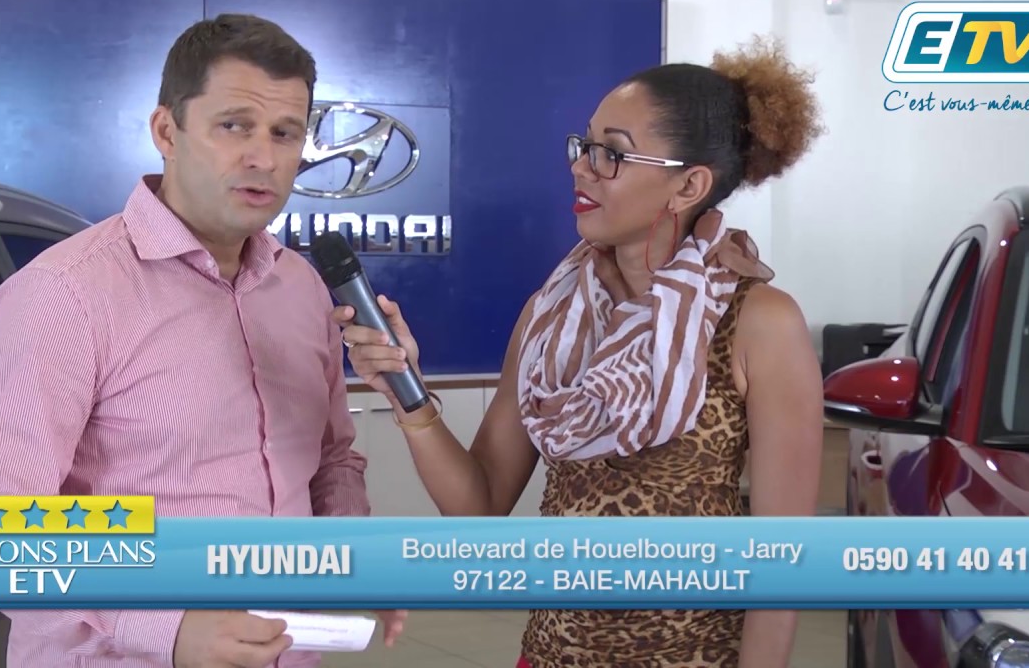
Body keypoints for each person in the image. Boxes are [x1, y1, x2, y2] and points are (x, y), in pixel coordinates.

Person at [334, 35, 825, 668]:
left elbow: (783, 563)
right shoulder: (551, 314)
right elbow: (479, 506)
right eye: (584, 145)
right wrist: (408, 393)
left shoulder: (758, 321)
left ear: (688, 185)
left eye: (611, 154)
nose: (581, 167)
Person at [0, 14, 405, 668]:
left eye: (284, 133)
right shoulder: (64, 294)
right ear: (166, 131)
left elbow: (331, 460)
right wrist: (166, 626)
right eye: (234, 126)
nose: (263, 157)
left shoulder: (301, 288)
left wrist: (357, 555)